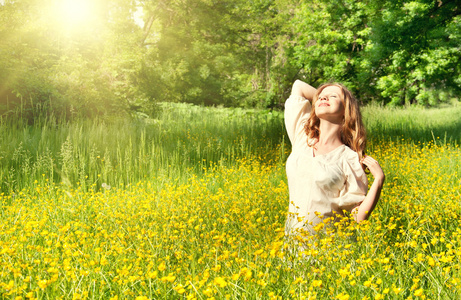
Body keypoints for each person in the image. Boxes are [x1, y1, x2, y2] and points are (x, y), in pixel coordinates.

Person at [284, 80, 385, 239]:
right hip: (293, 247)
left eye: (332, 96)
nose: (323, 99)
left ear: (346, 110)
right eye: (320, 97)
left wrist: (378, 180)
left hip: (329, 249)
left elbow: (358, 217)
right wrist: (326, 98)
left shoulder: (350, 158)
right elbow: (298, 86)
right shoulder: (302, 137)